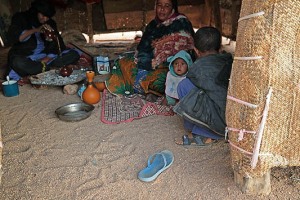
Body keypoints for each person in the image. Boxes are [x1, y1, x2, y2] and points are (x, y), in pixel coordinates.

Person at [105, 0, 195, 98]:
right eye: (159, 5)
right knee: (122, 62)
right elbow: (143, 47)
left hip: (170, 67)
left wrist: (158, 61)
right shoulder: (153, 24)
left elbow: (185, 54)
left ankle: (151, 90)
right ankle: (145, 88)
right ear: (155, 7)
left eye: (167, 6)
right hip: (147, 63)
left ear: (173, 8)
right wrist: (144, 62)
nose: (162, 9)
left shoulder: (181, 23)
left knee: (167, 79)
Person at [173, 26, 233, 146]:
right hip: (233, 120)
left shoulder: (197, 69)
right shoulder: (229, 60)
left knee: (184, 85)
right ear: (220, 48)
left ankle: (199, 132)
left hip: (219, 123)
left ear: (195, 50)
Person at [7, 0, 80, 80]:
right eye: (43, 15)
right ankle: (47, 68)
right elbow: (17, 38)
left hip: (45, 56)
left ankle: (39, 68)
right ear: (36, 12)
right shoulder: (21, 18)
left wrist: (51, 43)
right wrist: (36, 30)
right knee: (18, 63)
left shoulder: (50, 23)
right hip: (26, 56)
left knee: (74, 54)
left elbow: (59, 43)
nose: (45, 19)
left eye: (47, 17)